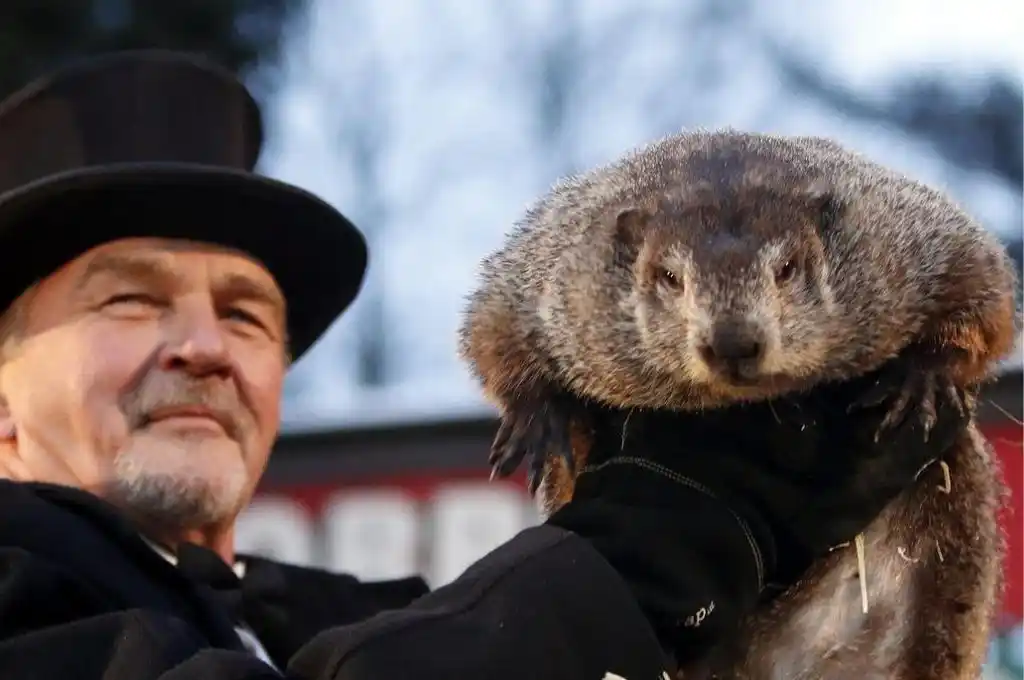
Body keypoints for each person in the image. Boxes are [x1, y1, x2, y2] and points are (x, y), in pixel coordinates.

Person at [0, 50, 968, 680]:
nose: (205, 347)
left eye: (247, 314)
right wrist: (658, 543)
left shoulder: (325, 614)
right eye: (128, 298)